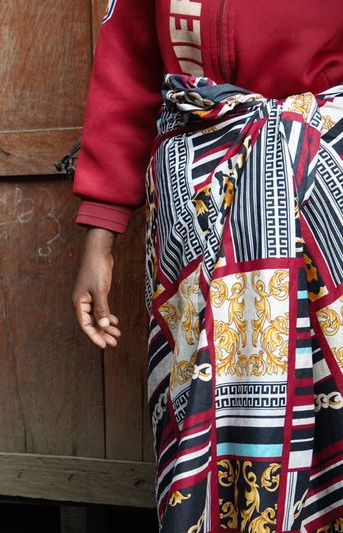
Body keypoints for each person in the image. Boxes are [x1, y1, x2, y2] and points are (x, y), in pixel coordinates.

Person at [72, 1, 343, 532]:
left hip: (327, 187)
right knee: (197, 400)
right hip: (194, 208)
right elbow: (124, 69)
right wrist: (100, 237)